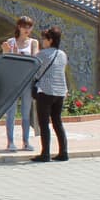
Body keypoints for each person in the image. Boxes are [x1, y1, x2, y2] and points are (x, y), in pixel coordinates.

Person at [31, 26, 69, 163]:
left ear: (50, 40)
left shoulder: (42, 54)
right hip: (60, 92)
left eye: (44, 39)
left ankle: (45, 153)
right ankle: (63, 152)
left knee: (44, 123)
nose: (42, 41)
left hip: (45, 91)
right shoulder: (63, 54)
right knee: (58, 122)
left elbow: (35, 72)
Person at [1, 16, 39, 151]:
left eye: (29, 26)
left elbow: (35, 60)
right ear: (19, 27)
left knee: (25, 112)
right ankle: (10, 142)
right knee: (11, 113)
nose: (27, 29)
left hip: (27, 81)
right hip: (13, 81)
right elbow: (6, 61)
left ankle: (26, 141)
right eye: (24, 26)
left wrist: (19, 56)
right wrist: (7, 52)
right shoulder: (11, 42)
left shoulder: (33, 42)